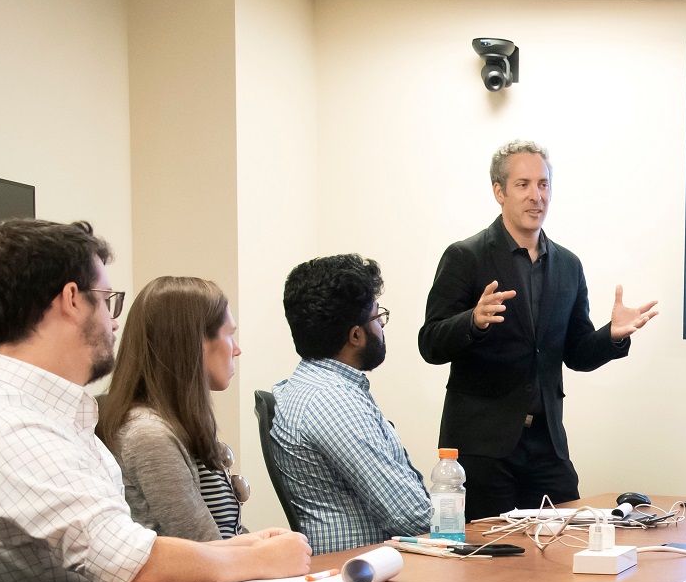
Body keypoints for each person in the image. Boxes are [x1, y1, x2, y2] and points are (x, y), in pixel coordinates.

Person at [0, 220, 310, 582]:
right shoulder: (16, 430)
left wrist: (244, 545)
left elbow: (124, 546)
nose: (114, 321)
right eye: (106, 300)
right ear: (71, 299)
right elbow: (132, 564)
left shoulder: (32, 415)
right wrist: (257, 559)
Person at [419, 140, 660, 520]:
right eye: (523, 185)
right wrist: (473, 320)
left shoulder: (567, 264)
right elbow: (430, 343)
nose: (536, 196)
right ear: (499, 192)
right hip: (483, 448)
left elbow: (577, 353)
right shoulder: (466, 256)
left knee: (566, 548)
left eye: (543, 184)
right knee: (490, 563)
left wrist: (612, 336)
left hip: (547, 444)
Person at [269, 254, 434, 555]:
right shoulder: (331, 400)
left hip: (366, 570)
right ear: (356, 335)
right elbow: (411, 516)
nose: (382, 327)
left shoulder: (310, 386)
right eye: (377, 317)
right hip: (359, 579)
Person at [98, 276, 249, 541]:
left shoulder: (177, 423)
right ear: (196, 344)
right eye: (230, 335)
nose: (237, 350)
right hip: (207, 581)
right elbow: (206, 548)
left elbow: (230, 537)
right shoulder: (149, 436)